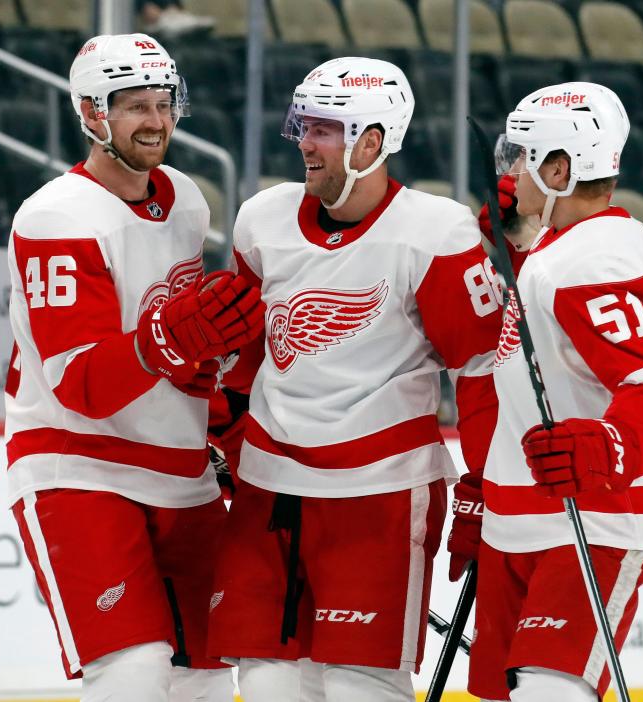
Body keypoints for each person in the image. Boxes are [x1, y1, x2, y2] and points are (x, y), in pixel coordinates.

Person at [205, 56, 502, 701]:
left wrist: (485, 486)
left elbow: (481, 372)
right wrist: (222, 428)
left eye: (324, 129)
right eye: (303, 124)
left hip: (380, 495)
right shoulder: (262, 220)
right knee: (266, 685)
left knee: (356, 689)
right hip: (267, 489)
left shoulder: (436, 233)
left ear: (372, 143)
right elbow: (247, 354)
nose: (304, 142)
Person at [4, 33, 263, 702]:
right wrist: (171, 343)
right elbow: (81, 383)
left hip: (180, 469)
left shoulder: (185, 201)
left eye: (164, 103)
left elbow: (186, 355)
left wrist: (221, 415)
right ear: (92, 114)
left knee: (206, 673)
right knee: (134, 668)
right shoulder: (58, 217)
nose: (156, 121)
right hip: (78, 464)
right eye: (134, 107)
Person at [458, 82, 643, 702]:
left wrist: (608, 447)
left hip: (596, 514)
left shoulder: (596, 258)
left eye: (522, 157)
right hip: (525, 512)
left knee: (549, 688)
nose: (510, 171)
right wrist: (484, 486)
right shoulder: (556, 249)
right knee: (501, 692)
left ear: (560, 170)